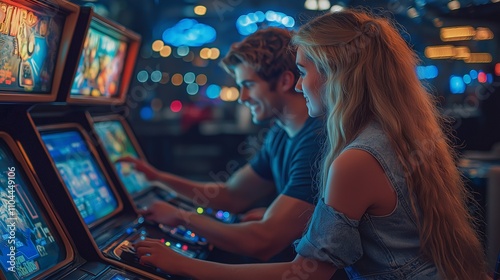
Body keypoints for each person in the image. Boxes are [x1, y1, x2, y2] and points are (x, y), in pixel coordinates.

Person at [133, 9, 490, 280]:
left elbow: (307, 273)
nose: (300, 86)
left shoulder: (356, 158)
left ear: (337, 74)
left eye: (304, 72)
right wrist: (157, 178)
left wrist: (186, 266)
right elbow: (233, 196)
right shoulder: (389, 133)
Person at [120, 27, 326, 263]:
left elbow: (263, 241)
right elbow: (233, 195)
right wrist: (157, 177)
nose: (243, 97)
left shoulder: (315, 140)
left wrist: (182, 218)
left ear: (285, 81)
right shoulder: (280, 133)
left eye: (248, 84)